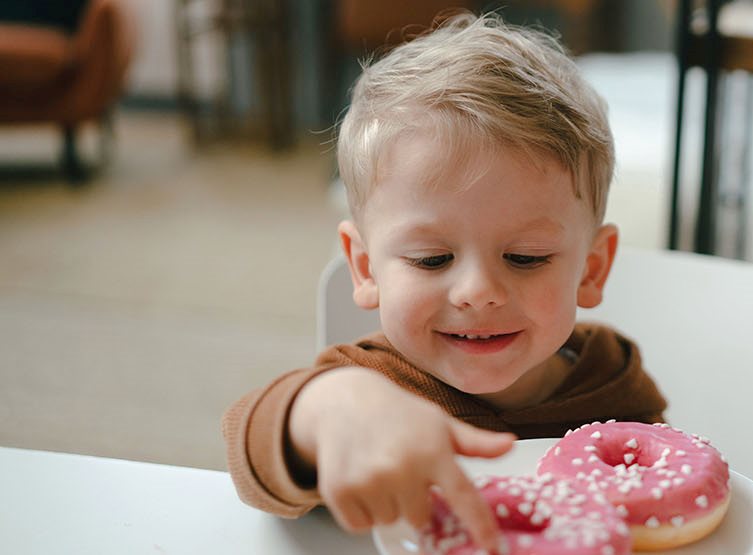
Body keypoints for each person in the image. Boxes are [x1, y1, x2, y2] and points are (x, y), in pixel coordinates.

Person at [221, 13, 666, 552]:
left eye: (526, 258)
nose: (478, 291)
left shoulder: (609, 380)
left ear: (591, 270)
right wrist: (325, 408)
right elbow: (251, 457)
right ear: (365, 269)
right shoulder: (370, 386)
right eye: (432, 259)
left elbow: (659, 510)